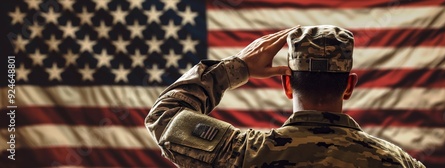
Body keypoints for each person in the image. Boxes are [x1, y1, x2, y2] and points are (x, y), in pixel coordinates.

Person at [145, 25, 425, 167]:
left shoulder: (243, 153)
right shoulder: (398, 163)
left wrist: (237, 68)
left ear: (287, 84)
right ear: (349, 86)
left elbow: (164, 117)